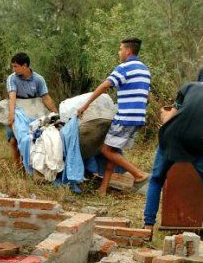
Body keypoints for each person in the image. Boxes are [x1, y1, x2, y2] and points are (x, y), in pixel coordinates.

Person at [77, 37, 151, 196]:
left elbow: (104, 86)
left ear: (128, 51)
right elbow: (148, 97)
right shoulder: (144, 69)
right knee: (113, 150)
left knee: (105, 150)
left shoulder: (123, 67)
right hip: (138, 118)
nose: (119, 52)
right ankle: (102, 190)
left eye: (120, 49)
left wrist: (85, 105)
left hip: (125, 117)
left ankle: (139, 174)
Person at [142, 77, 203, 228]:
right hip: (198, 140)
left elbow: (168, 120)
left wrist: (163, 113)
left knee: (156, 179)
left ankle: (148, 226)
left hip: (172, 136)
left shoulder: (188, 87)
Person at [5, 52, 58, 166]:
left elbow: (45, 97)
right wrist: (11, 115)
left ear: (24, 66)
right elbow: (12, 97)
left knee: (35, 138)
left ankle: (32, 164)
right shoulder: (12, 78)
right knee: (13, 140)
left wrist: (55, 112)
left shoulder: (38, 79)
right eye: (12, 66)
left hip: (34, 112)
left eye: (16, 66)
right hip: (17, 110)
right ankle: (17, 167)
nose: (13, 69)